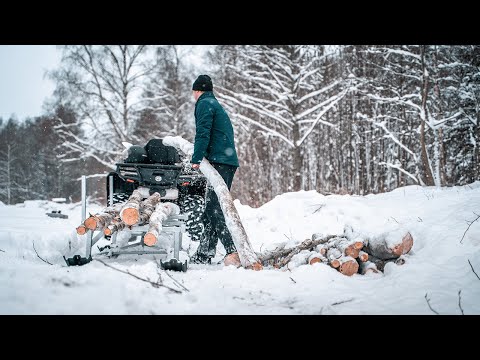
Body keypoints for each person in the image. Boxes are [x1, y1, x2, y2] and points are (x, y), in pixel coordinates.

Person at [189, 75, 241, 267]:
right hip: (224, 160)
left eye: (193, 92)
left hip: (221, 162)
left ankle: (233, 250)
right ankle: (204, 253)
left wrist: (196, 158)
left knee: (213, 208)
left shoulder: (205, 103)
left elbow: (203, 131)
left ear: (197, 90)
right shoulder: (213, 103)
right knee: (210, 209)